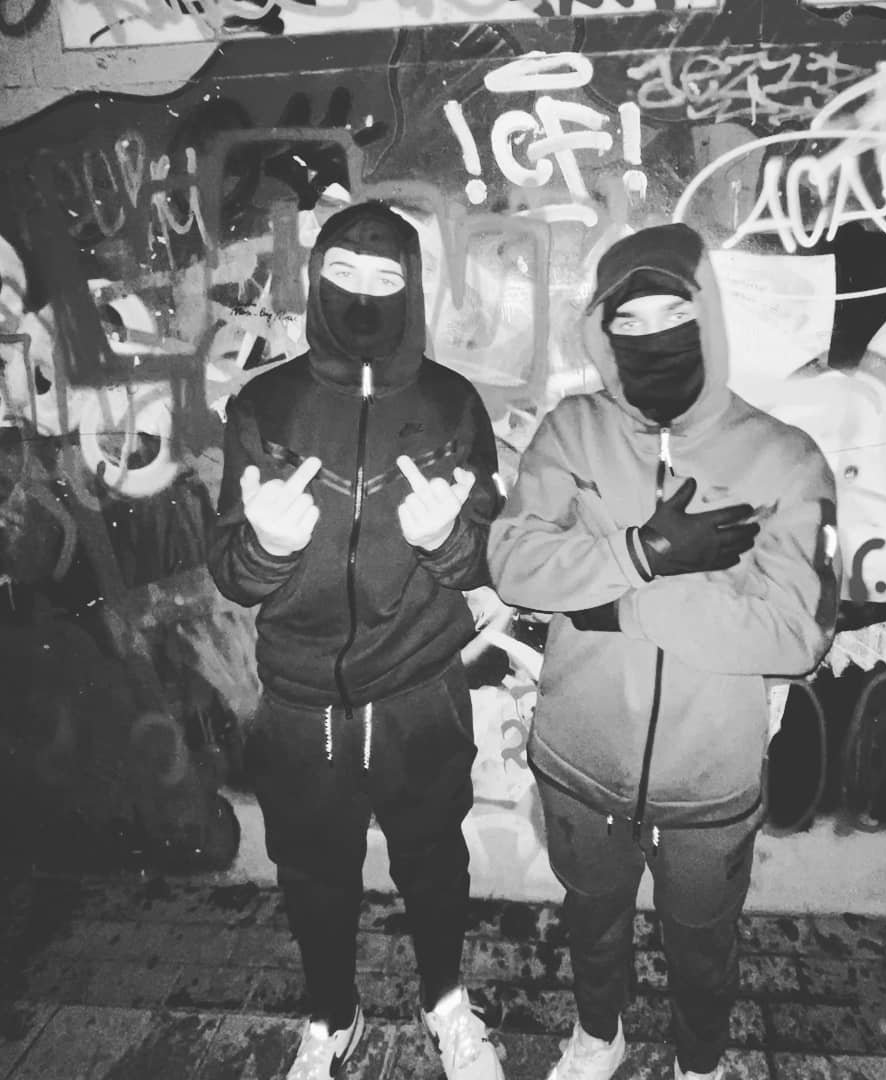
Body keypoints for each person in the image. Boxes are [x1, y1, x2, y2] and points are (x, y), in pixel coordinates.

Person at [487, 222, 840, 1080]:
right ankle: (597, 1037)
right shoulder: (572, 432)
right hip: (578, 759)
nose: (653, 337)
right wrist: (640, 553)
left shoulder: (785, 458)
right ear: (602, 332)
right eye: (629, 321)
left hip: (709, 780)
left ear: (706, 314)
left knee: (703, 941)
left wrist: (631, 603)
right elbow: (514, 563)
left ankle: (700, 1062)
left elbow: (799, 633)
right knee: (591, 919)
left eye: (673, 314)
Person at [208, 200, 506, 1080]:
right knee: (312, 872)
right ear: (314, 281)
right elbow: (231, 569)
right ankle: (332, 1017)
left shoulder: (453, 403)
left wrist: (445, 541)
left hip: (420, 690)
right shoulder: (265, 403)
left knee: (434, 860)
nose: (364, 296)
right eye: (344, 273)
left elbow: (489, 555)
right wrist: (267, 546)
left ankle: (445, 1001)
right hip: (301, 702)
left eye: (386, 278)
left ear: (413, 289)